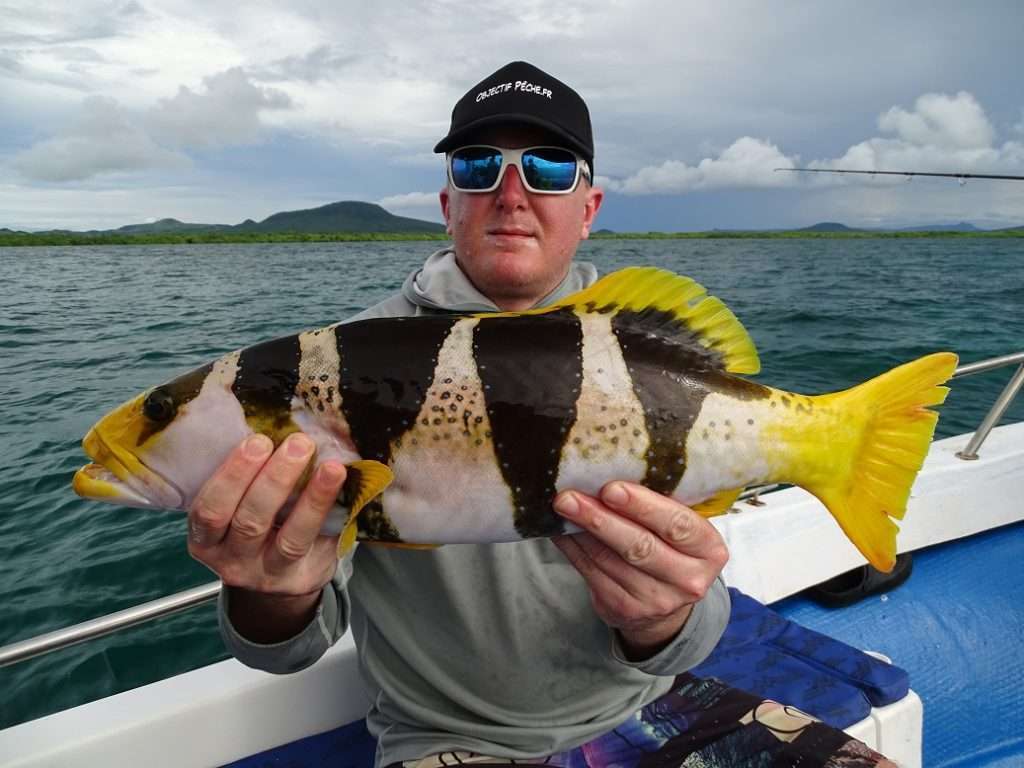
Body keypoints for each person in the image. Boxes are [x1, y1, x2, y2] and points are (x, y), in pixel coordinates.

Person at [187, 61, 896, 768]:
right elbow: (289, 645)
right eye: (477, 166)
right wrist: (268, 589)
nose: (512, 191)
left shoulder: (635, 354)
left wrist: (666, 616)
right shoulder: (341, 368)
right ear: (448, 203)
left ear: (588, 209)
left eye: (551, 168)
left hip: (659, 703)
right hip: (450, 742)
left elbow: (694, 629)